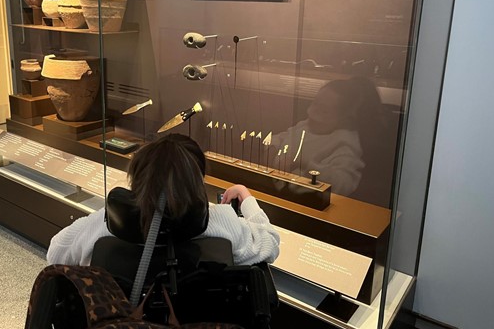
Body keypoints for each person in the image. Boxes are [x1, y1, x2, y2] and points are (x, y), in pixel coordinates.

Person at [47, 133, 280, 266]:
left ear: (139, 177)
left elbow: (56, 252)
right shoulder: (223, 222)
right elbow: (270, 244)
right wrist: (245, 196)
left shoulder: (106, 224)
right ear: (196, 181)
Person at [272, 76, 384, 196]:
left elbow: (343, 184)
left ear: (344, 119)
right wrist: (272, 146)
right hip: (277, 187)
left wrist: (305, 163)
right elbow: (283, 137)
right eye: (315, 104)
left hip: (306, 201)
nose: (313, 112)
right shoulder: (305, 125)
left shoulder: (344, 143)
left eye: (324, 111)